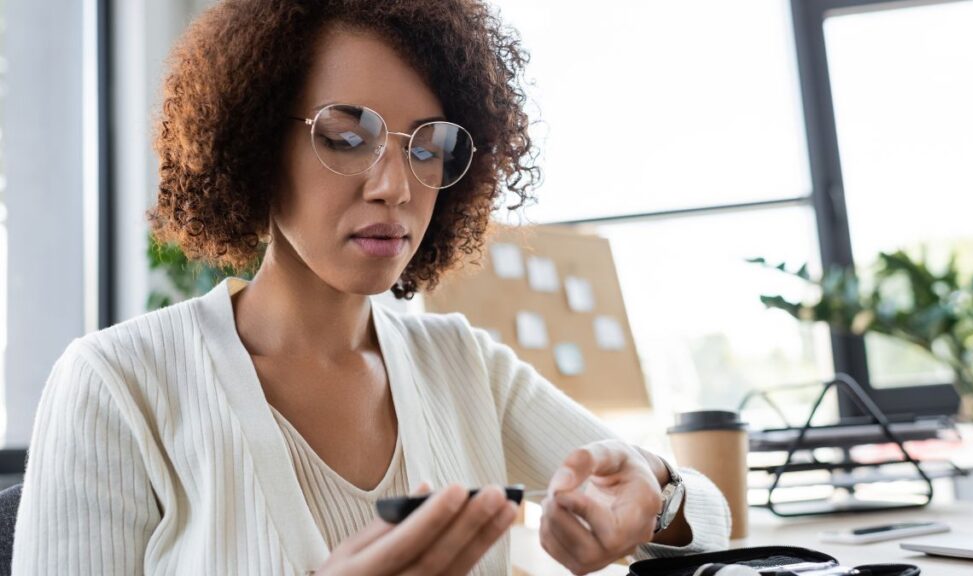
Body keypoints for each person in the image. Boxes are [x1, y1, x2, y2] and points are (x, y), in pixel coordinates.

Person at [12, 1, 731, 574]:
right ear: (257, 144)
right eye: (347, 137)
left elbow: (708, 512)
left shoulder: (461, 367)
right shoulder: (117, 385)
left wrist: (654, 495)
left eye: (428, 146)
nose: (396, 186)